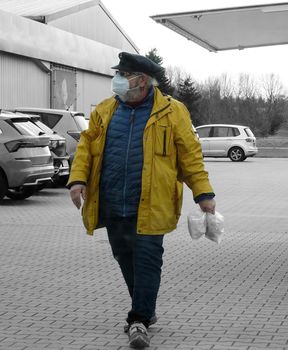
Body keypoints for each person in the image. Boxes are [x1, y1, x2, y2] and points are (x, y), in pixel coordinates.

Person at [67, 52, 216, 349]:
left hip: (152, 203)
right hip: (111, 201)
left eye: (124, 74)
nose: (118, 80)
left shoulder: (173, 111)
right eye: (118, 74)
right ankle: (146, 307)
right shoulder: (105, 111)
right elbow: (86, 146)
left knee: (148, 260)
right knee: (125, 258)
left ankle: (139, 319)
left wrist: (204, 194)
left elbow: (190, 155)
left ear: (143, 80)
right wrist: (78, 179)